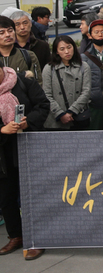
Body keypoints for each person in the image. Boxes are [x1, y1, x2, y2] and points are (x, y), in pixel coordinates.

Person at [0, 63, 49, 260]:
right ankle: (16, 236)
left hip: (28, 145)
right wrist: (1, 129)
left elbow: (43, 105)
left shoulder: (22, 82)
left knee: (33, 195)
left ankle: (37, 239)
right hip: (3, 151)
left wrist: (28, 121)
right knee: (6, 197)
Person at [41, 36, 91, 131]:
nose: (67, 52)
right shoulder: (49, 68)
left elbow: (86, 92)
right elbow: (46, 94)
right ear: (56, 51)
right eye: (62, 49)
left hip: (78, 116)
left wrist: (71, 111)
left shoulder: (84, 66)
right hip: (55, 119)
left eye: (69, 47)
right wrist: (60, 114)